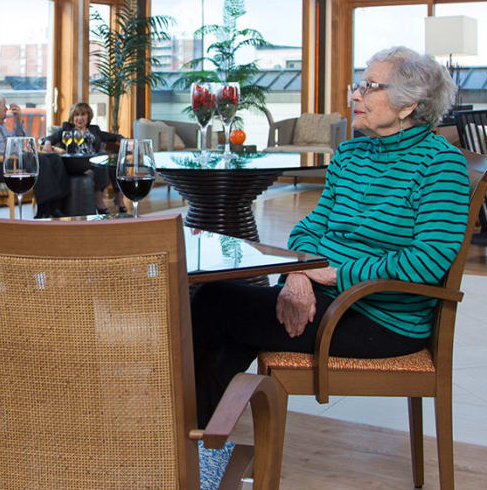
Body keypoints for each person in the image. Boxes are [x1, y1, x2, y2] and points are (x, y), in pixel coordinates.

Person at [190, 47, 471, 425]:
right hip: (326, 299)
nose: (355, 95)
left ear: (408, 106)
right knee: (226, 316)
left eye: (370, 87)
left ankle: (181, 444)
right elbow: (310, 228)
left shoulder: (440, 165)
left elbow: (429, 260)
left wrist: (336, 273)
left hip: (381, 318)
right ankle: (196, 443)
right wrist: (299, 274)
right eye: (359, 84)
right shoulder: (350, 155)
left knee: (215, 305)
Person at [0, 90, 69, 217]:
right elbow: (0, 149)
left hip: (2, 163)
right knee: (40, 161)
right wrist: (22, 151)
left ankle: (58, 207)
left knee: (54, 158)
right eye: (4, 105)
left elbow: (17, 142)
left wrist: (18, 121)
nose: (7, 108)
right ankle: (44, 210)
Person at [44, 101, 125, 214]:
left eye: (83, 115)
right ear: (73, 117)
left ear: (88, 116)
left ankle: (118, 196)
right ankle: (98, 198)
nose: (79, 118)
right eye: (76, 115)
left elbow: (113, 136)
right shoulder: (66, 128)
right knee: (101, 158)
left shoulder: (94, 129)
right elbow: (50, 138)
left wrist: (123, 140)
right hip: (76, 162)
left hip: (94, 160)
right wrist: (47, 143)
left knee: (112, 159)